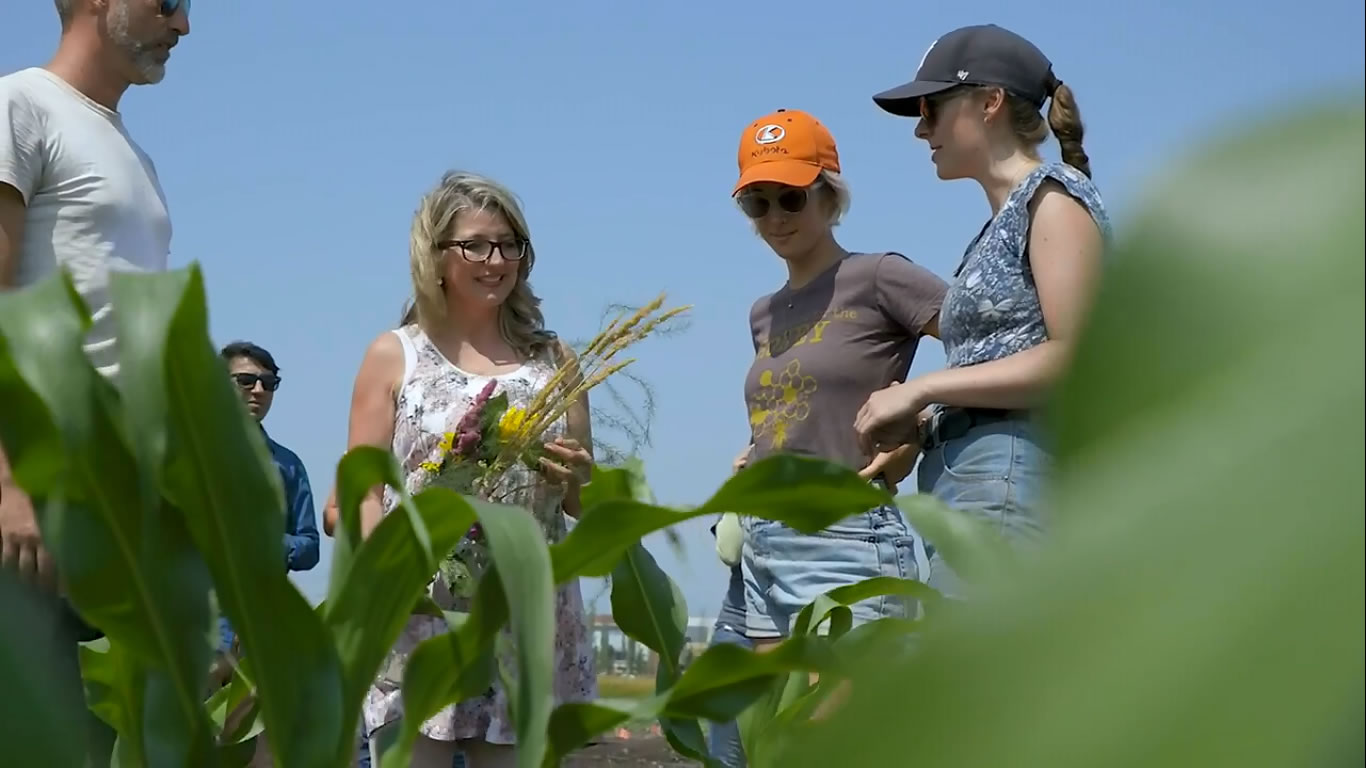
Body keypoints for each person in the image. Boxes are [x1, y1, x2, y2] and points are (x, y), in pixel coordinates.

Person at [348, 171, 596, 768]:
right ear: (435, 255)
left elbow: (581, 499)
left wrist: (577, 477)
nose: (497, 260)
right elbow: (363, 490)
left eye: (510, 244)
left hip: (524, 607)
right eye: (477, 245)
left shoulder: (554, 360)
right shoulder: (395, 354)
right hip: (422, 610)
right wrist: (384, 581)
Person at [856, 24, 1111, 595]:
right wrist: (924, 429)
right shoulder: (1005, 222)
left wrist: (921, 390)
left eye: (931, 108)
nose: (922, 129)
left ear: (989, 101)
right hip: (972, 478)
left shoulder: (1052, 199)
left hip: (1007, 475)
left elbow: (1077, 359)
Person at [0, 0, 189, 761]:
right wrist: (10, 481)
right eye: (169, 1)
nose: (183, 26)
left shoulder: (133, 156)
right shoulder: (20, 105)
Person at [732, 109, 946, 649]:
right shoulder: (764, 312)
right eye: (758, 202)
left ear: (831, 197)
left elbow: (994, 346)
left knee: (842, 729)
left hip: (845, 535)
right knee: (775, 732)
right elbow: (802, 404)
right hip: (762, 535)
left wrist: (923, 419)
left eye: (792, 196)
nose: (776, 215)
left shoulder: (879, 276)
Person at [218, 340, 321, 651]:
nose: (259, 391)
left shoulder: (288, 465)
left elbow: (310, 546)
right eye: (246, 381)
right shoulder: (185, 455)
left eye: (269, 383)